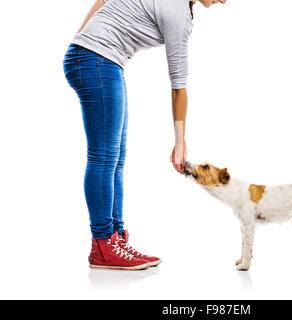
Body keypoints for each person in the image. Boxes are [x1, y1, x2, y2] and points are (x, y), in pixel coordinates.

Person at [63, 0, 227, 270]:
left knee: (114, 157)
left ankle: (115, 240)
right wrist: (180, 141)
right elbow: (178, 85)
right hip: (98, 60)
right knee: (104, 157)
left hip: (96, 58)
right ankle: (103, 245)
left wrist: (80, 39)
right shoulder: (178, 15)